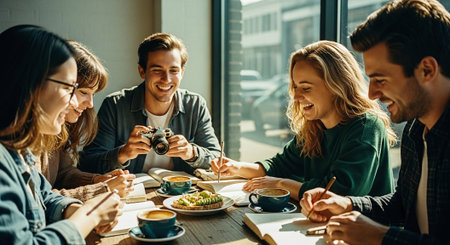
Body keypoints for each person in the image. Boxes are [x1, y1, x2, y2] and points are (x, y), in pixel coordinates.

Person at [299, 0, 450, 244]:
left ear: (426, 70)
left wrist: (381, 236)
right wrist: (347, 203)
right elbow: (402, 203)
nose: (372, 94)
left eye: (380, 79)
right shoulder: (416, 129)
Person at [212, 40, 397, 200]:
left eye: (306, 88)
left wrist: (280, 183)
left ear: (337, 86)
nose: (296, 97)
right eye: (295, 87)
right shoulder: (315, 127)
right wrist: (236, 167)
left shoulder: (366, 127)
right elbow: (279, 165)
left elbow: (341, 194)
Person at [0, 25, 120, 244]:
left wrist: (72, 210)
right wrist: (88, 216)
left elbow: (43, 196)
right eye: (68, 88)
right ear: (30, 84)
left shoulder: (19, 150)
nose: (74, 101)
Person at [79, 33, 221, 174]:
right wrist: (123, 153)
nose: (166, 79)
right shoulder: (115, 105)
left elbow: (219, 161)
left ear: (182, 72)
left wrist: (192, 153)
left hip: (181, 193)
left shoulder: (195, 105)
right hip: (132, 193)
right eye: (157, 70)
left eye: (174, 70)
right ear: (142, 71)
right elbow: (88, 164)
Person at [35, 40, 136, 202]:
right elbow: (39, 202)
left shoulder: (58, 128)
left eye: (93, 94)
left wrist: (97, 180)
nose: (90, 104)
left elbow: (64, 173)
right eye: (82, 92)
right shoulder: (23, 141)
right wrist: (102, 189)